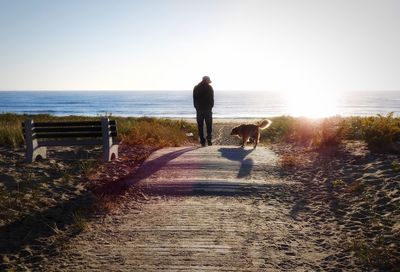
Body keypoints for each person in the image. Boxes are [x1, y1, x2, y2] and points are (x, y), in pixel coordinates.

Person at [193, 76, 214, 147]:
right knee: (209, 125)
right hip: (207, 109)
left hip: (199, 110)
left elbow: (194, 99)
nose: (209, 82)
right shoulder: (209, 88)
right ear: (206, 80)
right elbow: (212, 99)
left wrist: (196, 107)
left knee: (200, 126)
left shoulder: (196, 87)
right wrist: (211, 106)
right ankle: (209, 140)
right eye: (208, 81)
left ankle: (202, 141)